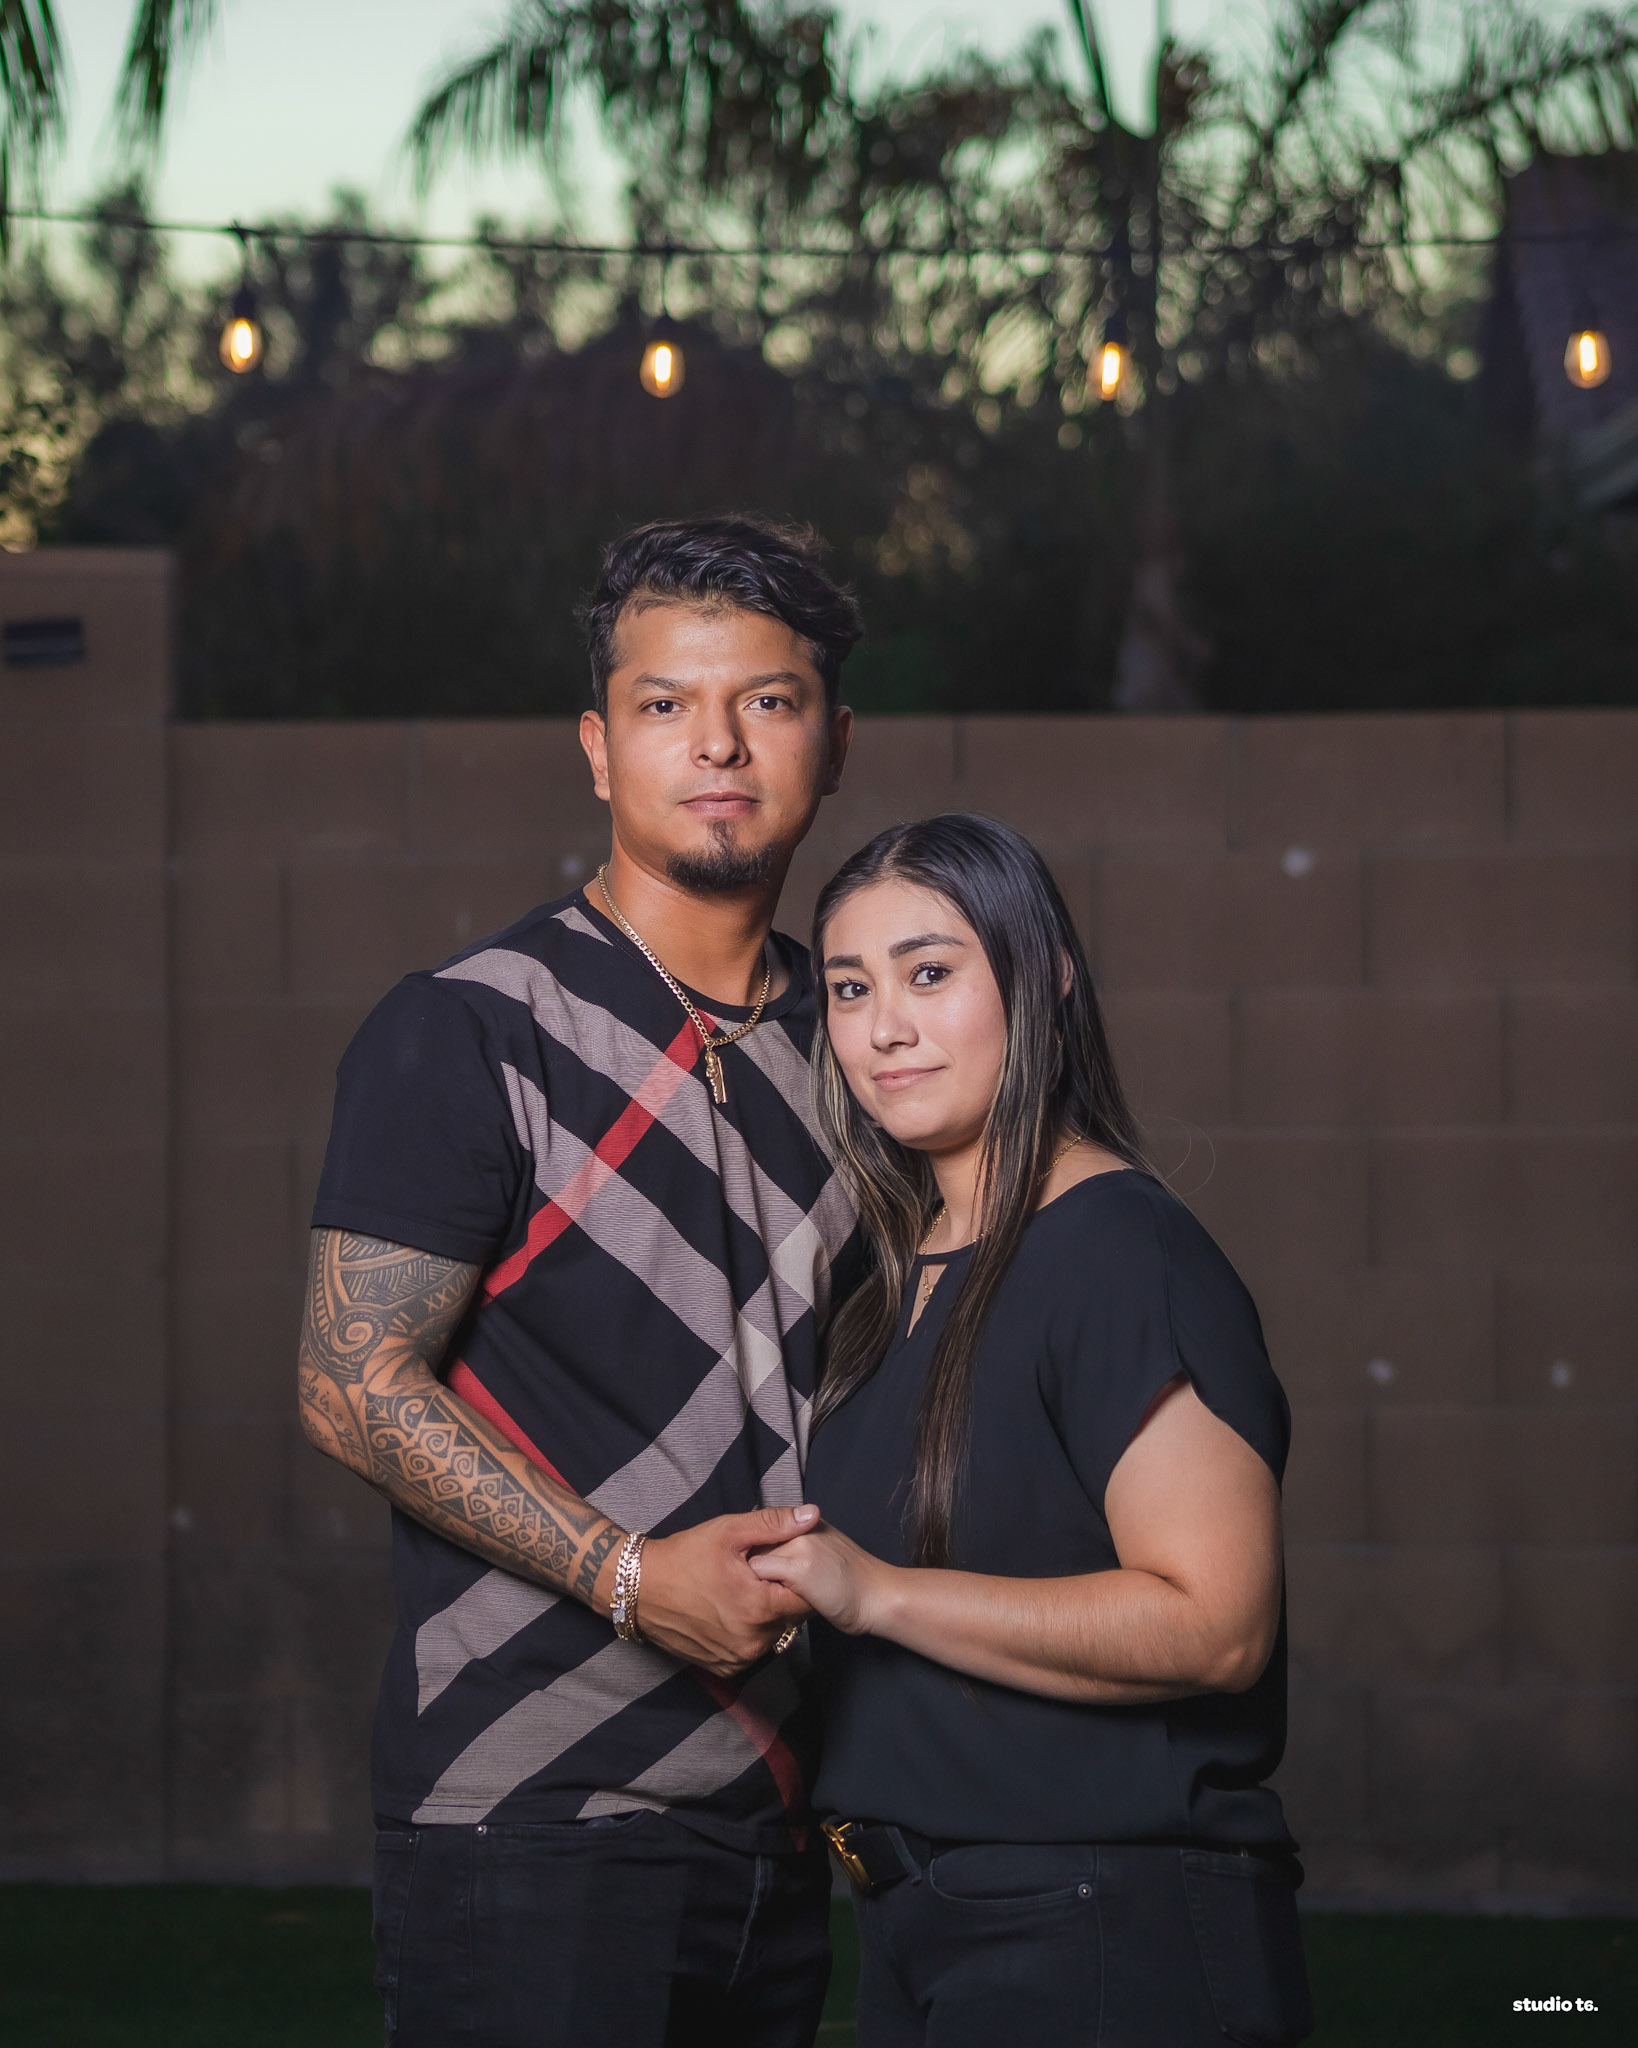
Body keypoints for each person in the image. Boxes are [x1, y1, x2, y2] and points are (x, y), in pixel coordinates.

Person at [297, 515, 864, 2047]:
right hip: (529, 1821)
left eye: (767, 699)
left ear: (833, 743)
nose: (718, 743)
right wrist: (629, 1576)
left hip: (779, 1822)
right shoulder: (471, 1030)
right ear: (599, 750)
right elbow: (349, 1385)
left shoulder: (861, 1049)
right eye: (664, 703)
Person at [750, 813, 1314, 2047]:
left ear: (1045, 975)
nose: (884, 1027)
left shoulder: (1118, 1249)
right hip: (921, 1919)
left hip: (1105, 1919)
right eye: (850, 987)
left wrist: (877, 1593)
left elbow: (1216, 1624)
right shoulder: (887, 1280)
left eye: (929, 972)